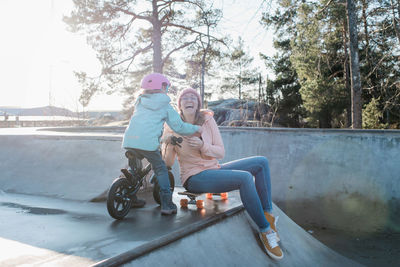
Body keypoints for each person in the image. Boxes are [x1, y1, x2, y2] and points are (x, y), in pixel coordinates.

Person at [162, 88, 283, 260]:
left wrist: (202, 146)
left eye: (193, 97)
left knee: (261, 162)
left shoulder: (207, 120)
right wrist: (167, 144)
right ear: (179, 105)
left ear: (197, 104)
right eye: (185, 98)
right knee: (245, 178)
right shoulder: (172, 127)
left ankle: (268, 215)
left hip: (214, 169)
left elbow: (220, 153)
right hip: (194, 177)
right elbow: (167, 163)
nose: (189, 100)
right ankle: (266, 230)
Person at [122, 74, 202, 215]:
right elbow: (180, 127)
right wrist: (196, 129)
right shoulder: (165, 105)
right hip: (148, 144)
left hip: (129, 140)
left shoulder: (139, 101)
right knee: (161, 170)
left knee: (134, 169)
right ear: (163, 87)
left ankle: (131, 196)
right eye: (166, 87)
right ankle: (167, 205)